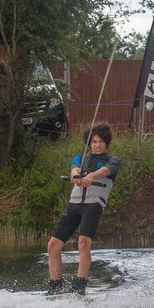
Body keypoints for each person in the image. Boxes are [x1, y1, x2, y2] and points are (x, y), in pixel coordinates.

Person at [47, 123, 120, 295]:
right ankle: (55, 287)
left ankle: (79, 287)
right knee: (53, 245)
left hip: (94, 204)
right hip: (75, 204)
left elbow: (105, 170)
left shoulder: (113, 160)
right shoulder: (80, 157)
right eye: (94, 141)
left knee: (83, 243)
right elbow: (74, 168)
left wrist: (90, 176)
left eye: (101, 141)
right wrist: (75, 176)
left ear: (106, 143)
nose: (97, 144)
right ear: (89, 144)